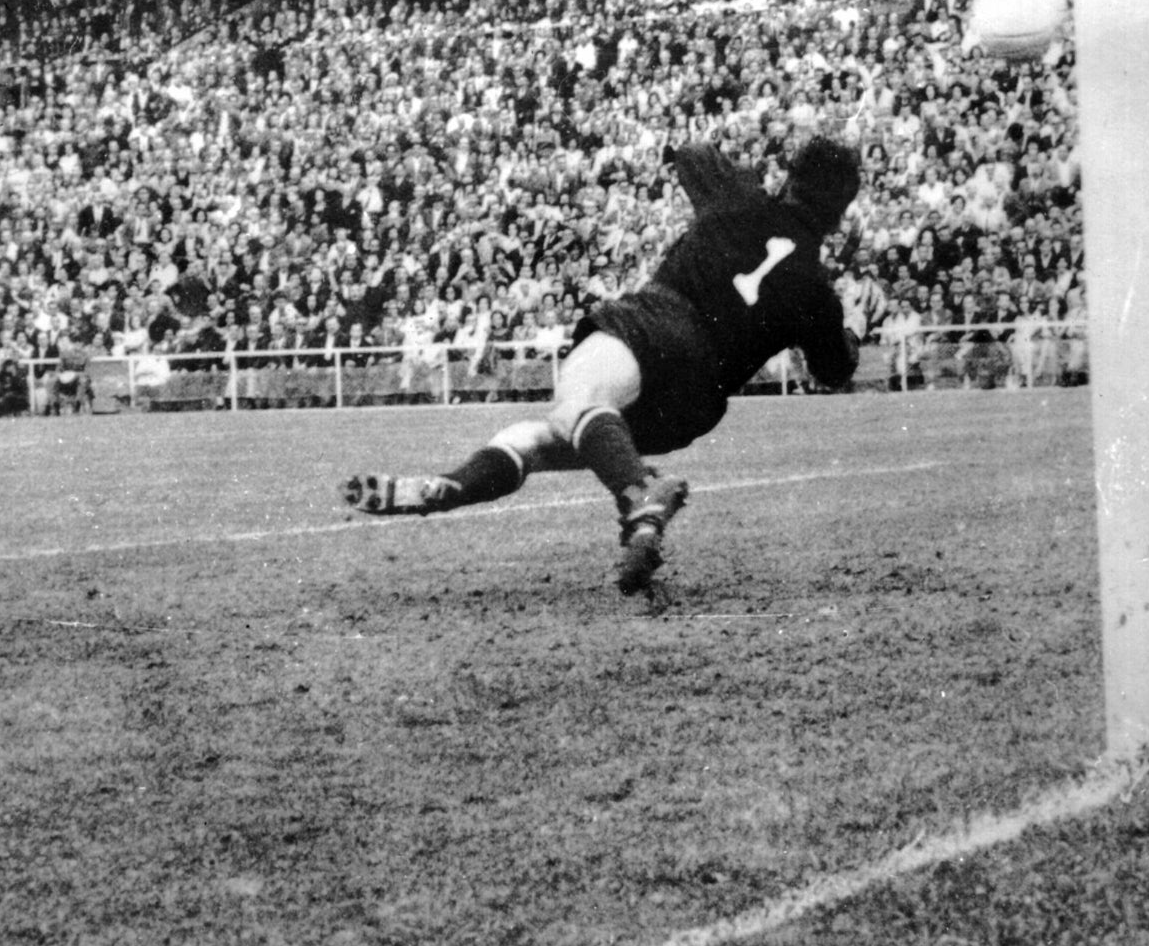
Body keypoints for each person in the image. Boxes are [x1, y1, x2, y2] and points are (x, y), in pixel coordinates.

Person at [342, 138, 864, 604]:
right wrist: (851, 331)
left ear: (790, 178)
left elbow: (692, 152)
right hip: (696, 403)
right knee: (556, 434)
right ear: (839, 212)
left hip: (659, 326)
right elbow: (834, 370)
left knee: (577, 398)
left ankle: (640, 497)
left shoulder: (740, 199)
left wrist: (720, 166)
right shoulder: (816, 291)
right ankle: (451, 487)